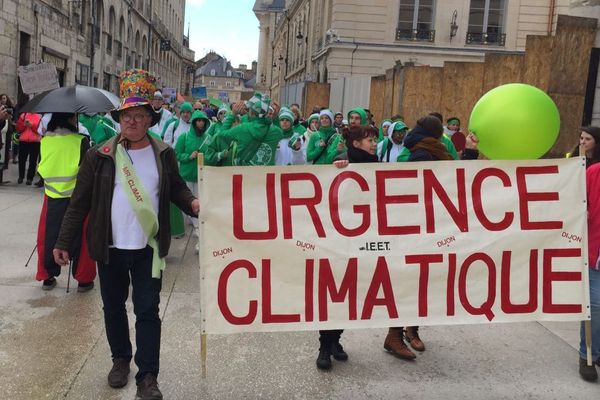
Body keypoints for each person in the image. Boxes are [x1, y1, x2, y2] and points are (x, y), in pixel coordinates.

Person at [53, 69, 199, 400]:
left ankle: (148, 375)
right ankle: (120, 359)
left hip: (148, 249)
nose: (131, 121)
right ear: (119, 118)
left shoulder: (164, 153)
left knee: (148, 310)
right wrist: (63, 242)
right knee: (113, 307)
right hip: (109, 246)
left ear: (149, 118)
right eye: (126, 115)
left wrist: (193, 202)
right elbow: (78, 204)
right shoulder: (99, 155)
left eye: (139, 115)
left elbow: (176, 188)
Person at [317, 125, 379, 371]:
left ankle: (335, 341)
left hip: (364, 242)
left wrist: (469, 154)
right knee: (334, 294)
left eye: (374, 139)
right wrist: (337, 169)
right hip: (339, 242)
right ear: (356, 144)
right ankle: (324, 345)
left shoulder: (378, 166)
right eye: (370, 140)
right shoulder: (341, 164)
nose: (374, 143)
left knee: (351, 295)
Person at [36, 112, 96, 291]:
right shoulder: (81, 141)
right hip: (78, 197)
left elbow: (41, 168)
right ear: (71, 119)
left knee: (48, 236)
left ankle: (47, 277)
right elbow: (88, 171)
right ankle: (84, 280)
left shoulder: (45, 141)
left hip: (51, 195)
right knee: (83, 236)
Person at [175, 109, 216, 253]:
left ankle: (198, 227)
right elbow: (178, 154)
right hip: (186, 175)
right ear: (193, 122)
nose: (200, 123)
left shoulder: (208, 138)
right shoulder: (184, 137)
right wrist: (189, 156)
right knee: (187, 202)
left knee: (199, 203)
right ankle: (191, 225)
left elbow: (211, 155)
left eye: (203, 121)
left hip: (201, 176)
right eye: (198, 121)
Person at [207, 92, 282, 166]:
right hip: (265, 176)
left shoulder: (242, 128)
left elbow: (221, 134)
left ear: (252, 113)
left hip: (245, 175)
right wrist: (272, 114)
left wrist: (232, 114)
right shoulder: (276, 131)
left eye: (248, 109)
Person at [580, 160, 600, 381]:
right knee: (594, 305)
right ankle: (588, 355)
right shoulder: (593, 172)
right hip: (596, 252)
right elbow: (576, 199)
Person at [15, 111, 41, 185]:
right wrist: (24, 125)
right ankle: (21, 176)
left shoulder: (39, 116)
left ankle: (30, 178)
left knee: (33, 161)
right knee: (21, 159)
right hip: (23, 140)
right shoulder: (23, 115)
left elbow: (40, 130)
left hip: (35, 141)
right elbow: (18, 128)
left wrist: (31, 125)